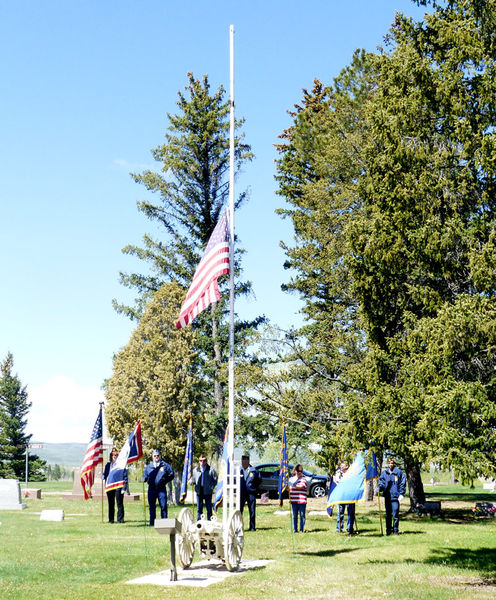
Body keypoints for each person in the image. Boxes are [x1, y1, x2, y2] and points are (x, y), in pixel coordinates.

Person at [143, 449, 174, 526]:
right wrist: (144, 479)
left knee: (163, 506)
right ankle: (152, 523)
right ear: (152, 457)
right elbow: (145, 476)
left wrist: (165, 481)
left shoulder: (165, 465)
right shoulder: (148, 467)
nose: (156, 457)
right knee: (152, 507)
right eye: (154, 456)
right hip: (152, 489)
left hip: (161, 489)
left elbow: (171, 474)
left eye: (157, 455)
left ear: (160, 456)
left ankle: (164, 523)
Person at [378, 456, 406, 535]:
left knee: (395, 514)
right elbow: (381, 482)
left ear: (394, 463)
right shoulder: (384, 473)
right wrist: (380, 488)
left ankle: (396, 530)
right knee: (388, 515)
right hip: (387, 497)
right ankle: (388, 530)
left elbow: (402, 483)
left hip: (395, 497)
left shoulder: (398, 472)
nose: (390, 464)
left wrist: (401, 493)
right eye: (389, 463)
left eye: (392, 463)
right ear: (387, 464)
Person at [102, 447, 127, 524]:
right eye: (113, 455)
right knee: (111, 504)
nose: (114, 456)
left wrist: (124, 487)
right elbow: (106, 474)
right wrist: (103, 476)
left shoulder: (121, 465)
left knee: (119, 503)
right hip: (110, 486)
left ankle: (120, 519)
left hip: (118, 486)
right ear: (111, 456)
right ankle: (111, 520)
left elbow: (125, 476)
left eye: (116, 455)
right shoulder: (108, 465)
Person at [192, 454, 218, 521]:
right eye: (201, 461)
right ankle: (199, 523)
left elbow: (215, 479)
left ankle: (209, 522)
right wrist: (192, 482)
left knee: (208, 508)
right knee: (199, 509)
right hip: (199, 491)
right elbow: (193, 479)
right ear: (199, 461)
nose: (202, 462)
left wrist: (211, 487)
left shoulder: (211, 469)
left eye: (204, 461)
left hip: (208, 492)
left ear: (206, 461)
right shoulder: (195, 470)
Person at [240, 454, 260, 531]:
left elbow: (259, 480)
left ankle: (252, 527)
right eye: (242, 461)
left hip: (251, 493)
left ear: (248, 461)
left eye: (245, 461)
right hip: (241, 493)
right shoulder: (238, 470)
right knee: (239, 511)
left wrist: (254, 489)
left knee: (252, 510)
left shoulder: (254, 471)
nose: (244, 463)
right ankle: (239, 527)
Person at [335, 461, 355, 534]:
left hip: (350, 495)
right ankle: (339, 528)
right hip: (341, 495)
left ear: (347, 466)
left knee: (351, 512)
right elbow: (337, 482)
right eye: (341, 466)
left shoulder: (351, 474)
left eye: (343, 466)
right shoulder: (338, 474)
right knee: (340, 512)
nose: (342, 467)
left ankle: (350, 528)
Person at [289, 464, 307, 533]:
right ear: (295, 471)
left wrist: (292, 484)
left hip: (302, 501)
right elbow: (289, 489)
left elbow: (301, 486)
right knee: (294, 516)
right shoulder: (291, 479)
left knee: (302, 516)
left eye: (301, 471)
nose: (299, 472)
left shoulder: (303, 479)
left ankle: (301, 529)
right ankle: (294, 529)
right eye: (298, 471)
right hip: (293, 500)